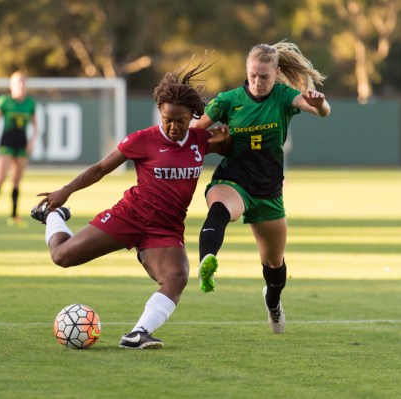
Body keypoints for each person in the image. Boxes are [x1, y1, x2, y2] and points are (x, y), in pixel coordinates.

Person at [30, 60, 231, 349]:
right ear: (160, 113)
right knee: (62, 257)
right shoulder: (143, 140)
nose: (173, 127)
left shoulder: (201, 139)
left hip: (165, 230)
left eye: (181, 121)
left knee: (177, 276)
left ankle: (138, 333)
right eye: (167, 120)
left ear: (193, 117)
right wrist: (66, 191)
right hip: (130, 216)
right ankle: (54, 216)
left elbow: (227, 145)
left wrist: (226, 141)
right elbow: (100, 168)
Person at [193, 41, 331, 334]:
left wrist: (319, 104)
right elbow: (194, 132)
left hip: (268, 192)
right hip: (233, 180)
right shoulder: (228, 100)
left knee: (274, 264)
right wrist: (211, 140)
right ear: (247, 71)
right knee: (219, 209)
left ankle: (273, 302)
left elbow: (321, 110)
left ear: (276, 73)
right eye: (253, 74)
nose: (257, 81)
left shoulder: (283, 96)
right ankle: (207, 259)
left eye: (264, 76)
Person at [0, 71, 39, 227]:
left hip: (21, 144)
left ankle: (14, 216)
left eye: (23, 82)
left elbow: (35, 126)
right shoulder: (4, 101)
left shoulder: (30, 103)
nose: (21, 85)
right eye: (17, 82)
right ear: (11, 85)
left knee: (16, 181)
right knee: (0, 179)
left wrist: (32, 141)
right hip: (6, 143)